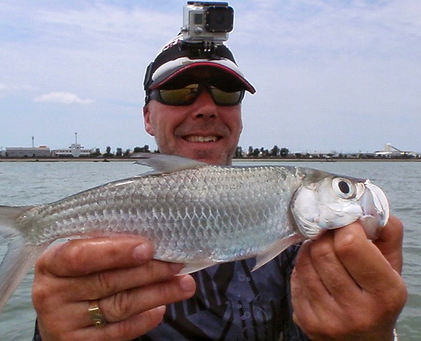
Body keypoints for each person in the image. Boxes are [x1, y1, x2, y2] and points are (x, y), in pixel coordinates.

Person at [32, 33, 406, 340]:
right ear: (148, 117)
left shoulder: (307, 249)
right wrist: (50, 335)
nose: (207, 108)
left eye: (226, 93)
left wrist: (373, 333)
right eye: (180, 92)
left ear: (240, 116)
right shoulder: (92, 254)